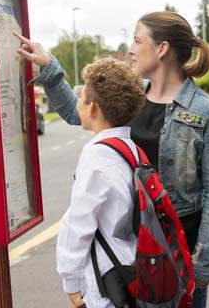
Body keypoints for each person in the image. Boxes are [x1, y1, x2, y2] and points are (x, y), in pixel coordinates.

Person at [15, 11, 209, 308]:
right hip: (132, 258)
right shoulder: (133, 98)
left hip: (178, 259)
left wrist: (204, 259)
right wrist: (49, 67)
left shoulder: (208, 112)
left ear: (161, 49)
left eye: (137, 40)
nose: (130, 48)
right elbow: (78, 111)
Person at [55, 58, 146, 308]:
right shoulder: (131, 149)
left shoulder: (97, 156)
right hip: (129, 263)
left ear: (93, 109)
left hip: (105, 280)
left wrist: (70, 281)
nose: (78, 104)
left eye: (82, 98)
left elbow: (79, 223)